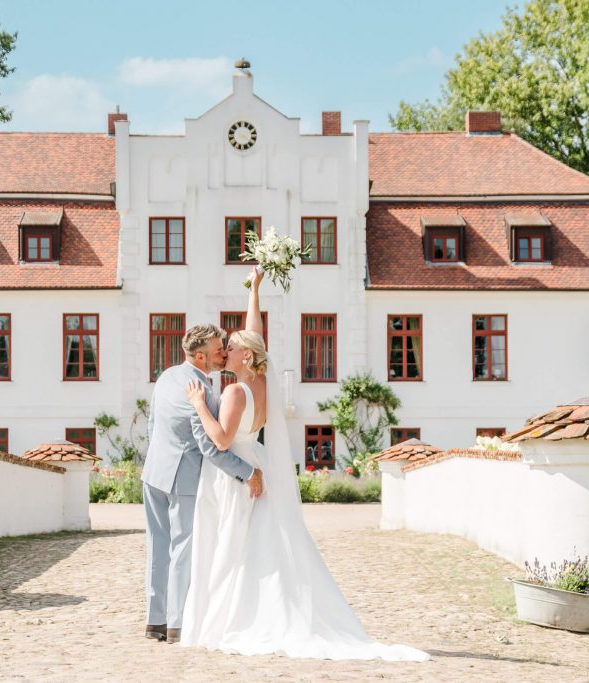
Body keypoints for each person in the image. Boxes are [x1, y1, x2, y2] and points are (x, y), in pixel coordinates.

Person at [179, 269, 429, 662]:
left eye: (229, 348)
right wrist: (255, 290)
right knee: (258, 541)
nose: (223, 351)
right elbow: (254, 333)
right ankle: (257, 608)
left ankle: (231, 616)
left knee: (231, 543)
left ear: (243, 355)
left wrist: (197, 405)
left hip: (237, 471)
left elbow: (222, 440)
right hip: (257, 462)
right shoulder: (260, 380)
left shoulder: (233, 391)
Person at [141, 323, 264, 645]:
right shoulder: (203, 392)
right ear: (200, 355)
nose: (223, 353)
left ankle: (155, 621)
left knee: (158, 548)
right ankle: (177, 624)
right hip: (181, 477)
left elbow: (153, 424)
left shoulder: (166, 376)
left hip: (153, 472)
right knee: (183, 549)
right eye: (218, 350)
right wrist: (248, 472)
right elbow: (213, 447)